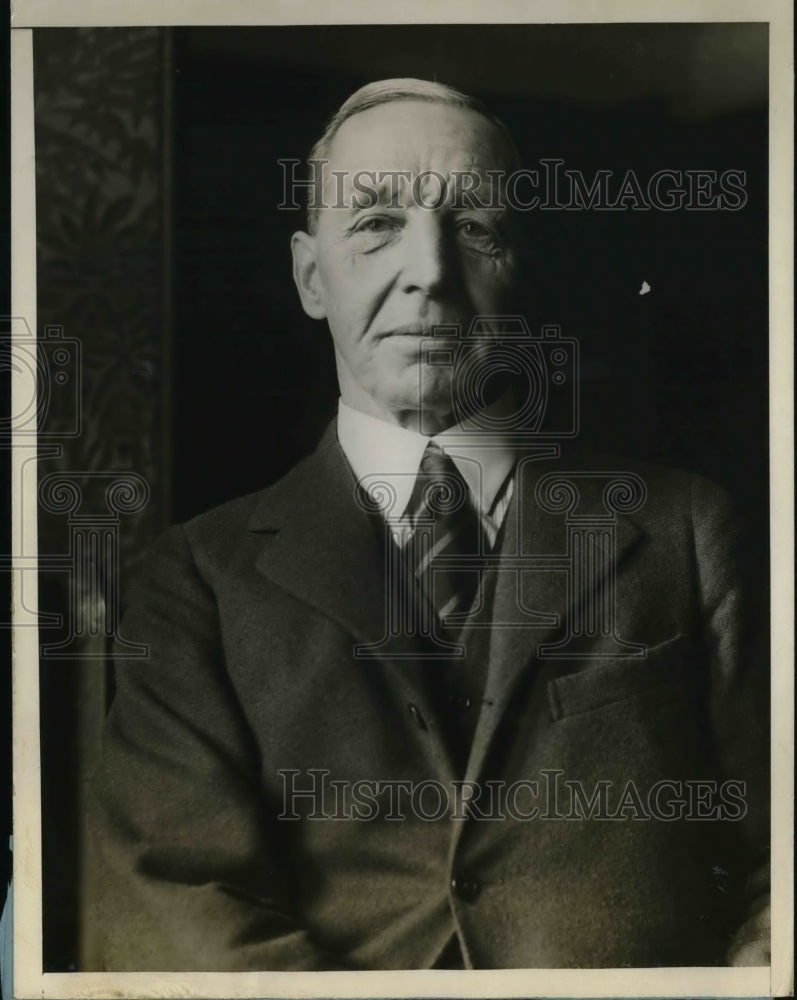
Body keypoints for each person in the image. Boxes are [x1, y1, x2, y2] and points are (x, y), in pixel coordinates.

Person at [89, 78, 769, 971]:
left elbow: (779, 870)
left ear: (522, 264)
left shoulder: (686, 534)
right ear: (308, 276)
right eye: (374, 224)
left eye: (476, 228)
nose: (431, 273)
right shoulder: (195, 584)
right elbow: (171, 912)